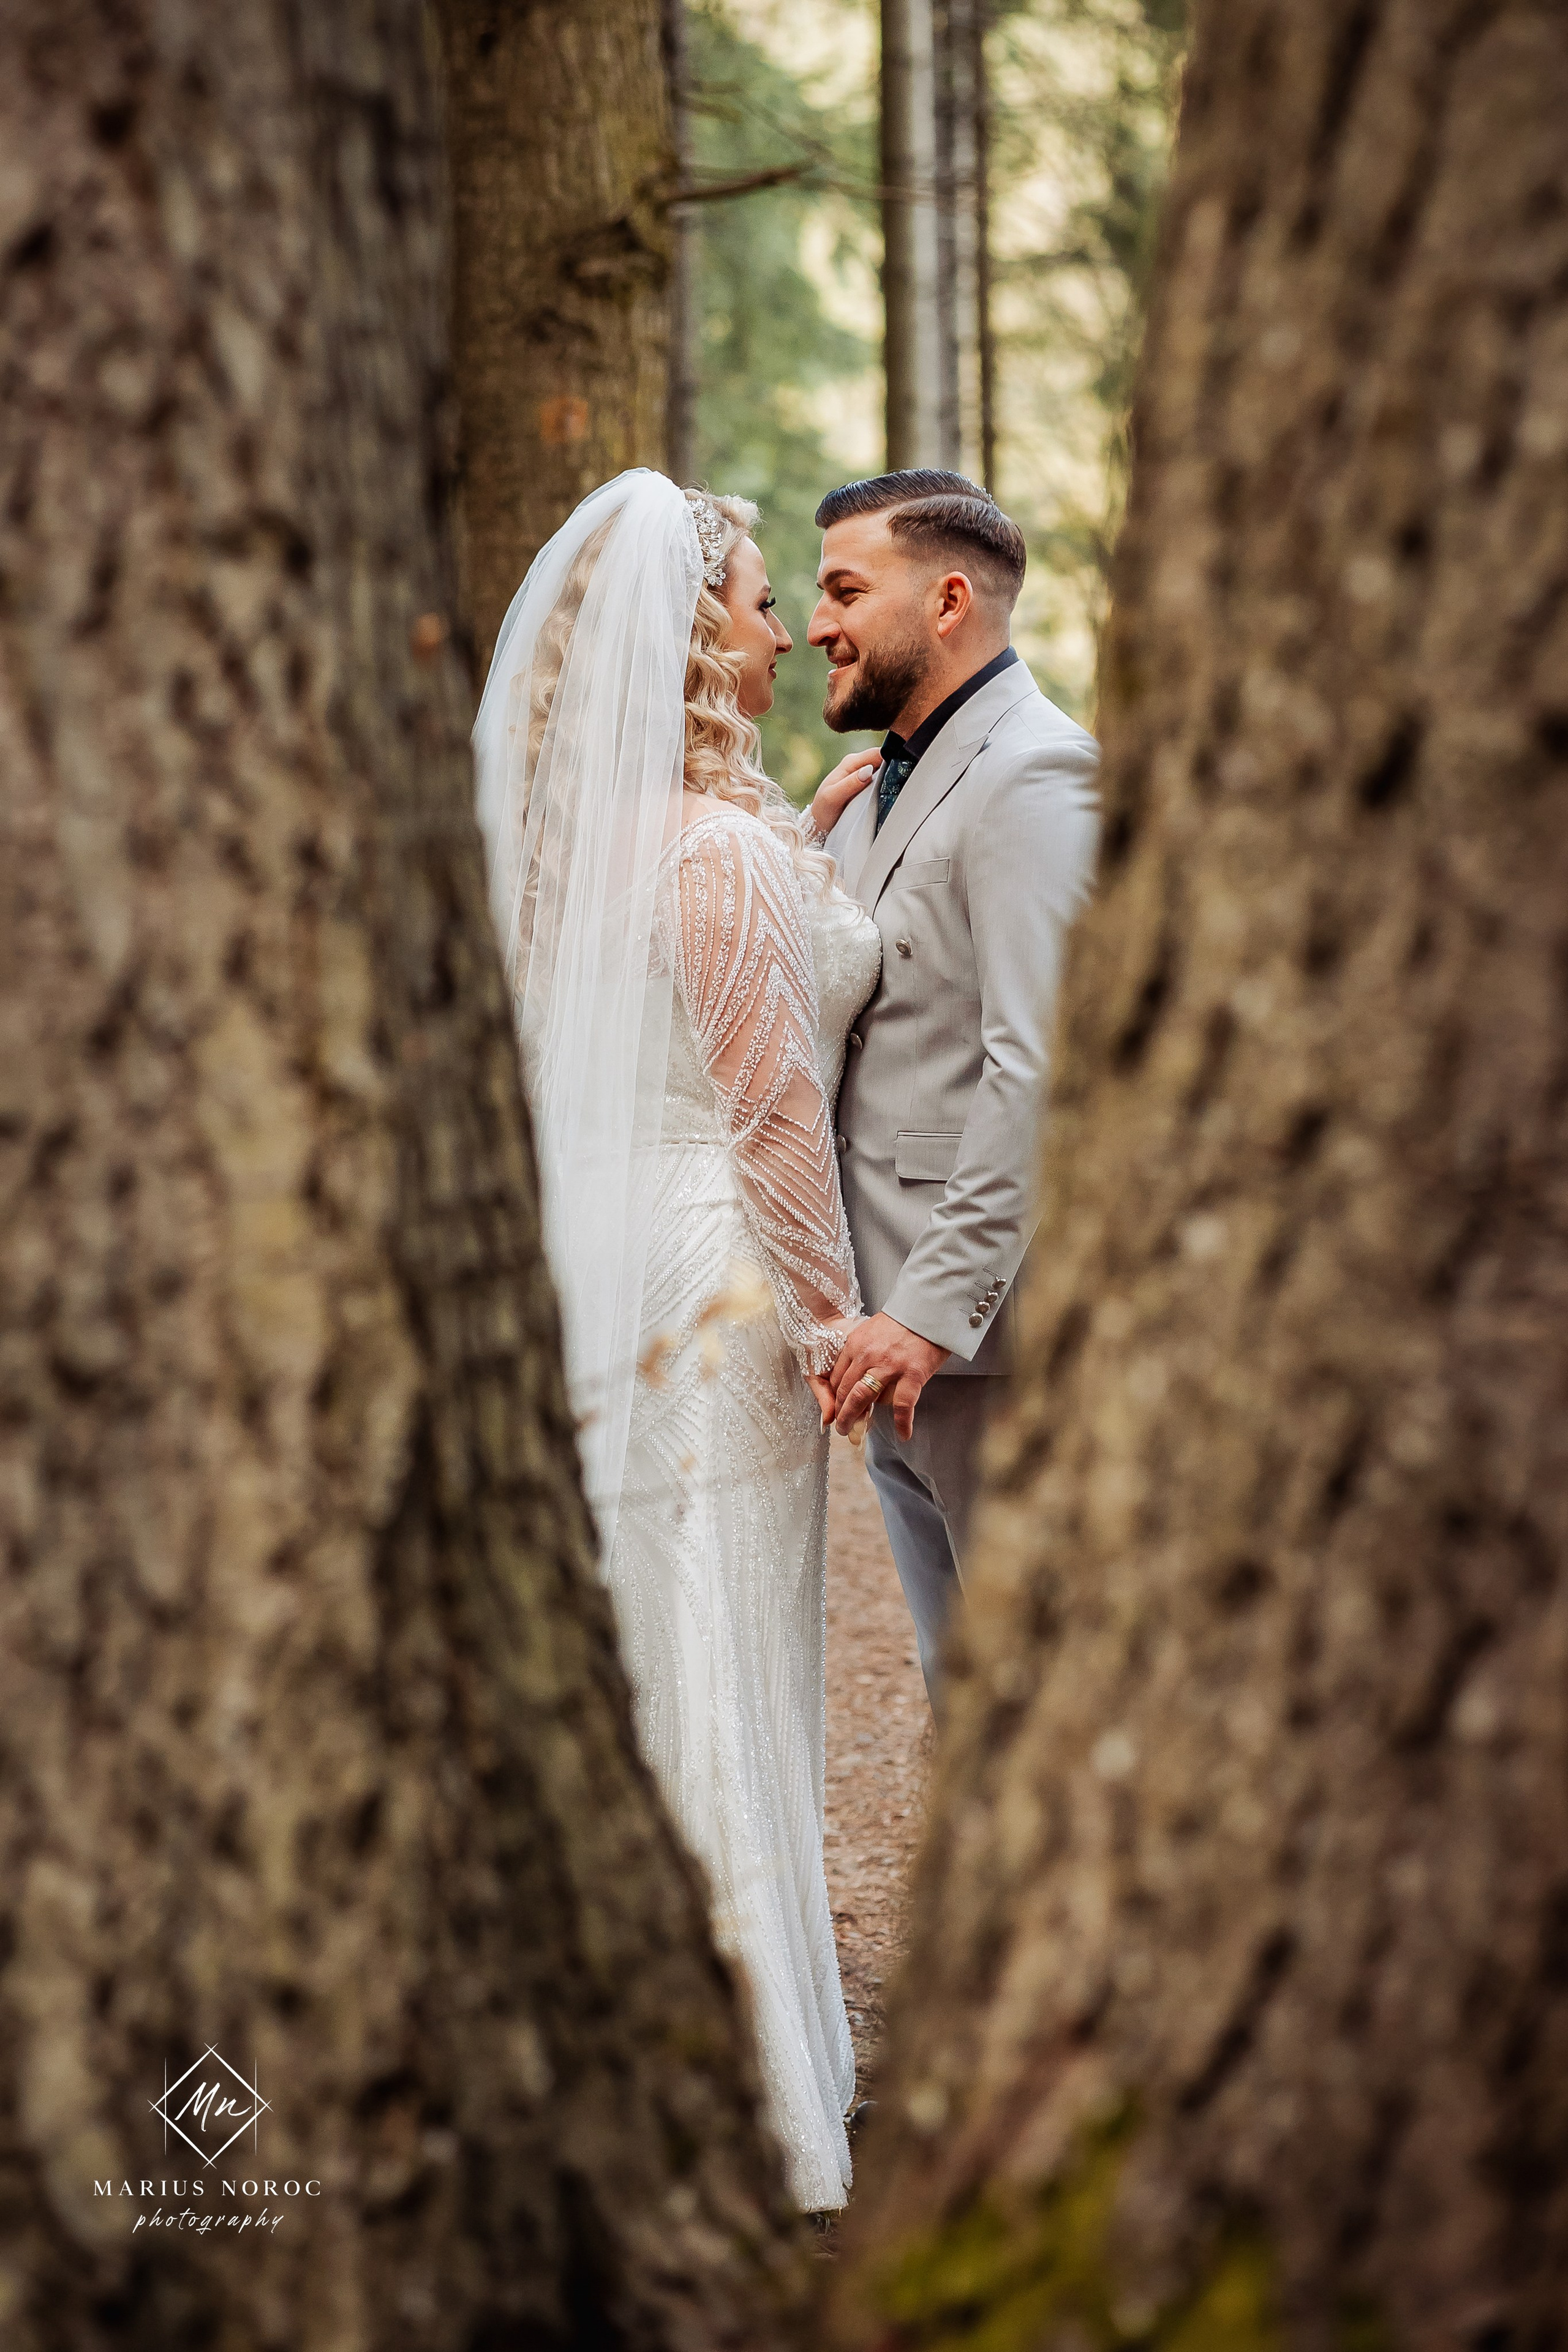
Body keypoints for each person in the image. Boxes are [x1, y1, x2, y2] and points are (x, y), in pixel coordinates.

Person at [472, 470, 882, 2213]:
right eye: (757, 600)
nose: (785, 626)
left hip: (615, 1252)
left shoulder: (604, 849)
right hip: (718, 1271)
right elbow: (774, 1115)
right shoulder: (717, 856)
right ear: (699, 637)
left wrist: (799, 839)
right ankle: (742, 2091)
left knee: (660, 1618)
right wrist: (838, 1318)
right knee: (721, 1635)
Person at [802, 469, 1100, 1710]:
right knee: (955, 1687)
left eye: (843, 588)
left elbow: (1039, 1067)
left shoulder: (1034, 776)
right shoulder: (884, 783)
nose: (819, 622)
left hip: (988, 1339)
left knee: (1028, 1701)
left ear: (949, 601)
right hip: (890, 1340)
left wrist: (928, 1312)